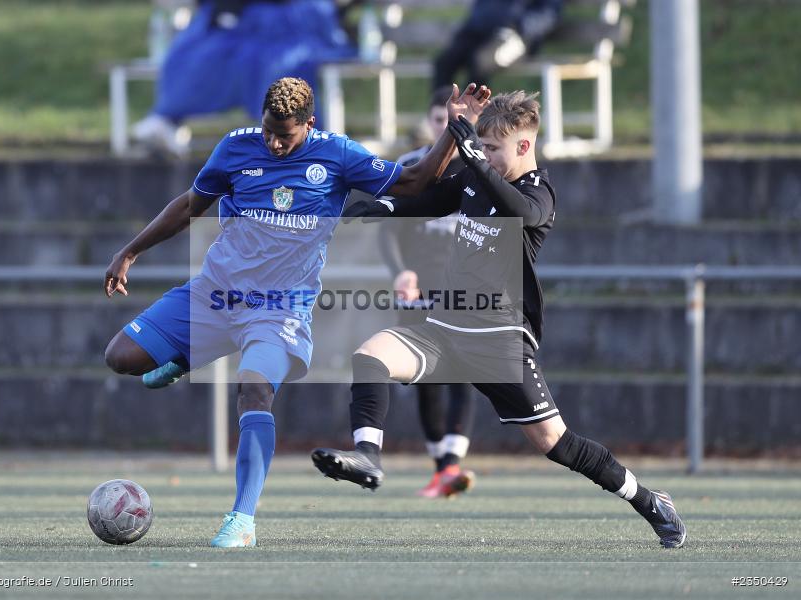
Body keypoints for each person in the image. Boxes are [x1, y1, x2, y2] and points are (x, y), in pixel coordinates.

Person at [104, 77, 492, 547]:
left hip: (279, 310)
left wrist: (454, 129)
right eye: (268, 131)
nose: (273, 143)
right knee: (121, 357)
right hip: (215, 294)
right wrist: (130, 251)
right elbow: (189, 206)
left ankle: (242, 520)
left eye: (284, 136)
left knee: (254, 394)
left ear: (309, 124)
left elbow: (414, 181)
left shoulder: (338, 154)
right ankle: (185, 357)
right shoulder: (235, 149)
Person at [311, 91, 687, 548]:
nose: (484, 155)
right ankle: (368, 457)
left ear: (524, 148)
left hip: (499, 340)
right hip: (445, 328)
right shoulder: (475, 177)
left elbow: (518, 211)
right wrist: (379, 209)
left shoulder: (538, 194)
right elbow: (428, 202)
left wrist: (473, 153)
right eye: (483, 146)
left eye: (494, 149)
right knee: (371, 355)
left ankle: (650, 502)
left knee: (555, 442)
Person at [377, 86, 478, 498]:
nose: (447, 127)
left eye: (454, 120)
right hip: (417, 286)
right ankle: (443, 466)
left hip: (465, 287)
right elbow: (387, 229)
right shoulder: (410, 166)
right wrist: (401, 271)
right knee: (425, 374)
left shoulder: (481, 166)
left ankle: (450, 466)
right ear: (431, 122)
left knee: (464, 373)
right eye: (440, 120)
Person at [133, 0, 356, 156]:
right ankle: (167, 117)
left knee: (278, 62)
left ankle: (302, 141)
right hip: (240, 17)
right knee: (197, 53)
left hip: (293, 19)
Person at [432, 0, 563, 90]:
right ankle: (441, 117)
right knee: (444, 62)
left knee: (481, 62)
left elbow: (548, 14)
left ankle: (470, 120)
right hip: (479, 33)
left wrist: (519, 27)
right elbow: (481, 9)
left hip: (517, 37)